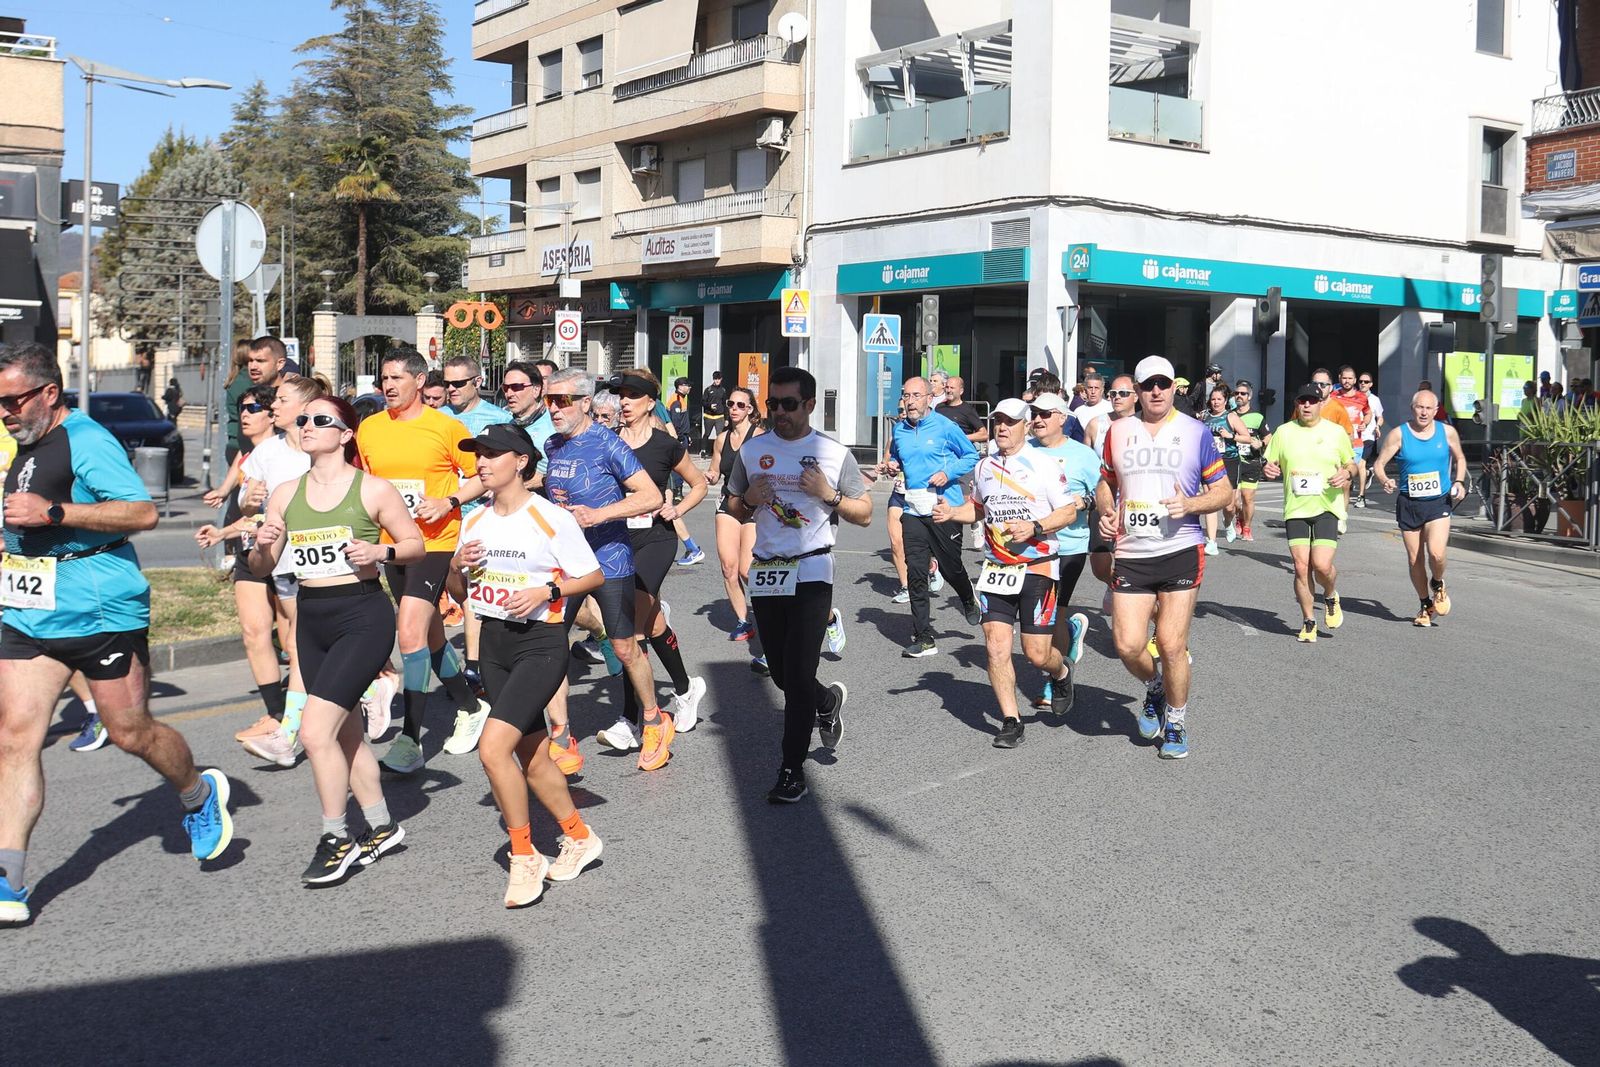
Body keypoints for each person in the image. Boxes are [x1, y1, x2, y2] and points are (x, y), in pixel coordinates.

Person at [0, 341, 233, 923]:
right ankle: (9, 880)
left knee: (130, 732)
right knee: (14, 738)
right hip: (29, 611)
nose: (3, 411)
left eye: (11, 400)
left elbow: (140, 512)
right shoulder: (23, 445)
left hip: (100, 610)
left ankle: (199, 794)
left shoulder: (87, 439)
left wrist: (55, 514)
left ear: (48, 393)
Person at [250, 396, 420, 884]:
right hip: (312, 618)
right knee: (344, 732)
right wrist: (262, 548)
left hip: (362, 615)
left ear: (345, 434)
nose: (306, 426)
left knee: (313, 732)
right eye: (302, 419)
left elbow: (415, 545)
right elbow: (265, 567)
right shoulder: (284, 493)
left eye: (319, 420)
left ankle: (336, 837)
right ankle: (383, 828)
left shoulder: (372, 490)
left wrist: (380, 550)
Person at [447, 422, 606, 907]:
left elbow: (592, 575)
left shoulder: (550, 517)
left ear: (520, 462)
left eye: (493, 454)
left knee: (493, 749)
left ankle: (524, 855)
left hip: (540, 643)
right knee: (532, 757)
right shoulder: (474, 522)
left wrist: (546, 591)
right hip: (494, 643)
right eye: (479, 455)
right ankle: (579, 837)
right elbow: (459, 595)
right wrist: (458, 569)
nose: (482, 463)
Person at [725, 366, 871, 803]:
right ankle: (825, 703)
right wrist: (748, 500)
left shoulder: (832, 452)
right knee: (785, 675)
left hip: (811, 569)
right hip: (768, 570)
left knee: (799, 670)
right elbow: (733, 506)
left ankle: (791, 769)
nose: (780, 412)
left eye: (789, 404)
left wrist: (829, 494)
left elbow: (863, 513)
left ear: (809, 405)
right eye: (773, 404)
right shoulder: (754, 450)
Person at [356, 347, 489, 772]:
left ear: (418, 381)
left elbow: (480, 477)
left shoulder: (444, 428)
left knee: (409, 633)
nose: (388, 385)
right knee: (430, 638)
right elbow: (364, 483)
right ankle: (470, 707)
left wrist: (447, 500)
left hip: (434, 543)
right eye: (384, 378)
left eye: (397, 377)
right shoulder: (370, 429)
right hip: (391, 544)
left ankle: (410, 739)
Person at [1095, 355, 1232, 760]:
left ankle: (1176, 720)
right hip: (1133, 552)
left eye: (1163, 383)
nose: (1156, 391)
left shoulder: (1195, 432)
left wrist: (1190, 503)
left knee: (1172, 643)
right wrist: (1106, 511)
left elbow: (1223, 492)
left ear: (1174, 387)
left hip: (1180, 549)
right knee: (1127, 644)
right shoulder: (1118, 431)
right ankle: (1155, 687)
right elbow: (1106, 481)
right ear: (1136, 391)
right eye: (1147, 385)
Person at [541, 369, 675, 770]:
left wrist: (597, 515)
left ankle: (654, 720)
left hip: (610, 559)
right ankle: (562, 736)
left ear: (585, 402)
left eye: (562, 400)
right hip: (566, 564)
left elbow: (649, 496)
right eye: (549, 400)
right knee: (550, 649)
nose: (553, 408)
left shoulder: (609, 444)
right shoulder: (552, 445)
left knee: (623, 646)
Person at [935, 398, 1078, 746]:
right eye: (997, 421)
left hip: (1038, 567)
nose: (1001, 427)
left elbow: (1069, 512)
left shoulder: (1044, 464)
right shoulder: (984, 467)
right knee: (996, 647)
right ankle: (1011, 720)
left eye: (1009, 422)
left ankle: (1060, 671)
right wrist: (952, 512)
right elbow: (978, 510)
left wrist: (1036, 526)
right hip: (997, 568)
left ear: (1025, 426)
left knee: (1036, 653)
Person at [226, 376, 325, 765]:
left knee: (304, 647)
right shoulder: (267, 451)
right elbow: (247, 499)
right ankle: (290, 726)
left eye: (281, 400)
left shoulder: (322, 446)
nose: (273, 407)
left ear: (305, 405)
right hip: (279, 561)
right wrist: (246, 500)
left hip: (319, 562)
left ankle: (289, 733)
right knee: (300, 647)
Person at [611, 369, 709, 738]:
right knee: (650, 624)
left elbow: (698, 483)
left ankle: (629, 718)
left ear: (650, 402)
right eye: (621, 395)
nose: (624, 402)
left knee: (630, 625)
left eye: (632, 396)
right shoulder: (608, 441)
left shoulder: (665, 445)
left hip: (656, 539)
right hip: (617, 540)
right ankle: (686, 688)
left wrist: (677, 510)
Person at [195, 385, 291, 741]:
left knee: (292, 639)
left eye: (253, 408)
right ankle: (276, 713)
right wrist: (224, 531)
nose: (245, 414)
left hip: (286, 553)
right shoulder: (247, 456)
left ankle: (304, 709)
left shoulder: (289, 451)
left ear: (271, 414)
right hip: (250, 547)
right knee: (253, 633)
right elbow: (248, 508)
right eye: (242, 408)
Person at [881, 376, 981, 658]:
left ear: (928, 398)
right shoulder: (900, 429)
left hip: (943, 507)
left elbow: (971, 456)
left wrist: (947, 474)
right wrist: (891, 465)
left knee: (951, 568)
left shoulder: (945, 426)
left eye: (916, 396)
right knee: (916, 572)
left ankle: (966, 597)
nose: (910, 401)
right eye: (906, 396)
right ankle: (924, 637)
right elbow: (900, 458)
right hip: (913, 508)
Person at [1262, 383, 1357, 643]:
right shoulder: (1284, 432)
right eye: (1302, 401)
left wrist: (1347, 473)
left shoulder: (1335, 432)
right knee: (1301, 567)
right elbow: (1270, 463)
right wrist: (1268, 470)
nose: (1306, 405)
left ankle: (1329, 594)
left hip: (1327, 506)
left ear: (1319, 404)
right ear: (1297, 404)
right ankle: (1308, 620)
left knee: (1321, 565)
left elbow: (1352, 463)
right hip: (1296, 509)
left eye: (1311, 401)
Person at [443, 354, 514, 689]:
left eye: (458, 383)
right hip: (445, 521)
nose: (451, 389)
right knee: (466, 594)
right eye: (447, 383)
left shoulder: (498, 419)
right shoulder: (437, 418)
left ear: (478, 382)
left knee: (478, 592)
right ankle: (478, 667)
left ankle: (475, 669)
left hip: (486, 517)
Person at [1023, 391, 1097, 709]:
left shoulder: (1083, 455)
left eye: (1045, 414)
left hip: (1069, 544)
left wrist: (1085, 501)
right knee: (1036, 616)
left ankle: (1055, 679)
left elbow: (1105, 492)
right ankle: (1068, 632)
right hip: (1026, 546)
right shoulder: (1022, 451)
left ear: (1062, 418)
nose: (1037, 419)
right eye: (1034, 414)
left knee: (1051, 613)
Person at [1372, 389, 1470, 627]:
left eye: (1429, 408)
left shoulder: (1447, 432)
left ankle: (1438, 582)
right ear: (1412, 408)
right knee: (1415, 559)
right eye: (1420, 407)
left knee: (1436, 553)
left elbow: (1460, 458)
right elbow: (1379, 464)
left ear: (1436, 411)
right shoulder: (1399, 434)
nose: (1424, 412)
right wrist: (1385, 480)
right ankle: (1425, 604)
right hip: (1409, 503)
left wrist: (1458, 481)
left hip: (1438, 501)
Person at [707, 387, 764, 643]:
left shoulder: (761, 437)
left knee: (746, 571)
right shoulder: (721, 438)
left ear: (750, 409)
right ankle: (743, 621)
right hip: (728, 503)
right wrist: (707, 477)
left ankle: (771, 611)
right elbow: (715, 472)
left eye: (741, 405)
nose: (734, 408)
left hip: (754, 506)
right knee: (729, 568)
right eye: (731, 403)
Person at [1087, 374, 1138, 589]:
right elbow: (1086, 461)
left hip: (1134, 503)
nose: (1117, 398)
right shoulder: (1095, 424)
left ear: (1135, 396)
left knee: (1132, 563)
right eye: (1113, 394)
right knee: (1099, 565)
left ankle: (1130, 597)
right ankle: (1113, 584)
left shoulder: (1144, 425)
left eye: (1123, 394)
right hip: (1104, 499)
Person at [1201, 384, 1253, 553]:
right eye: (1213, 399)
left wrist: (1230, 436)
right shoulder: (1204, 416)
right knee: (1210, 500)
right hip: (1210, 462)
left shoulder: (1231, 417)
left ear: (1225, 401)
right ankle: (1212, 542)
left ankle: (1228, 522)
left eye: (1219, 399)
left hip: (1229, 461)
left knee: (1229, 505)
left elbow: (1247, 438)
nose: (1215, 402)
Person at [499, 361, 555, 485]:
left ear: (536, 390)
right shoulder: (504, 422)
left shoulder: (555, 425)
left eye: (516, 387)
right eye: (506, 388)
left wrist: (543, 480)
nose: (509, 394)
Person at [1230, 380, 1270, 541]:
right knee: (1234, 501)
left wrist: (1260, 443)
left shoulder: (1257, 417)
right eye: (1237, 393)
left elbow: (1268, 436)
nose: (1239, 396)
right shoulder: (1230, 415)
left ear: (1249, 397)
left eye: (1243, 393)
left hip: (1251, 462)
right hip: (1233, 462)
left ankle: (1246, 527)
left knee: (1248, 498)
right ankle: (1239, 517)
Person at [1355, 371, 1385, 505]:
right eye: (1361, 381)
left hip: (1368, 436)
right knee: (1353, 465)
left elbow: (1380, 417)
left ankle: (1361, 497)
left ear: (1371, 384)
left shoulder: (1374, 400)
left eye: (1366, 382)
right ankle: (1367, 473)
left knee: (1360, 463)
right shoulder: (1352, 397)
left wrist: (1378, 426)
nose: (1363, 384)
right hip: (1353, 436)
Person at [1068, 373, 1112, 444]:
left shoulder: (1111, 408)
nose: (1093, 392)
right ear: (1085, 390)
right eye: (1090, 388)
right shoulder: (1078, 411)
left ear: (1102, 390)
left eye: (1096, 388)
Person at [700, 370, 728, 458]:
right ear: (713, 379)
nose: (717, 381)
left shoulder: (723, 390)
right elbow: (703, 402)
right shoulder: (708, 390)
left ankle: (718, 451)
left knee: (719, 435)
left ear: (721, 379)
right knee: (707, 434)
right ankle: (703, 450)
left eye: (718, 379)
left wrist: (726, 418)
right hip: (709, 416)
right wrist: (709, 406)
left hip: (719, 416)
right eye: (715, 379)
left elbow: (725, 404)